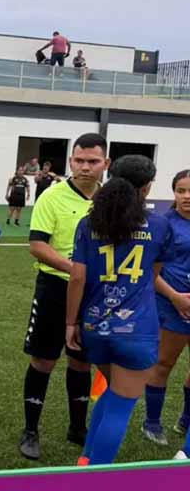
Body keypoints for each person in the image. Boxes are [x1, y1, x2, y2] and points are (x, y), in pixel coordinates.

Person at [66, 156, 167, 466]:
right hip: (136, 330)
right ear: (146, 188)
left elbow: (78, 277)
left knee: (113, 392)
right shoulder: (159, 224)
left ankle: (86, 459)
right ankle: (97, 475)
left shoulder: (89, 222)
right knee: (122, 404)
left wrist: (71, 323)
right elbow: (154, 274)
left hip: (96, 327)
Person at [19, 133, 109, 460]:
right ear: (70, 161)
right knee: (43, 360)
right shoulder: (52, 196)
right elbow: (37, 246)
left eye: (93, 161)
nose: (85, 167)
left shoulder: (109, 200)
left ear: (105, 164)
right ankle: (30, 429)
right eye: (79, 160)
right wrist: (76, 268)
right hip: (55, 288)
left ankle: (77, 427)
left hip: (94, 293)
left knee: (81, 360)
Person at [145, 170, 190, 445]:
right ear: (173, 193)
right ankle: (152, 422)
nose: (187, 197)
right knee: (164, 363)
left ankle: (185, 419)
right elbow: (149, 270)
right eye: (181, 191)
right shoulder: (163, 223)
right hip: (170, 303)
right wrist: (175, 297)